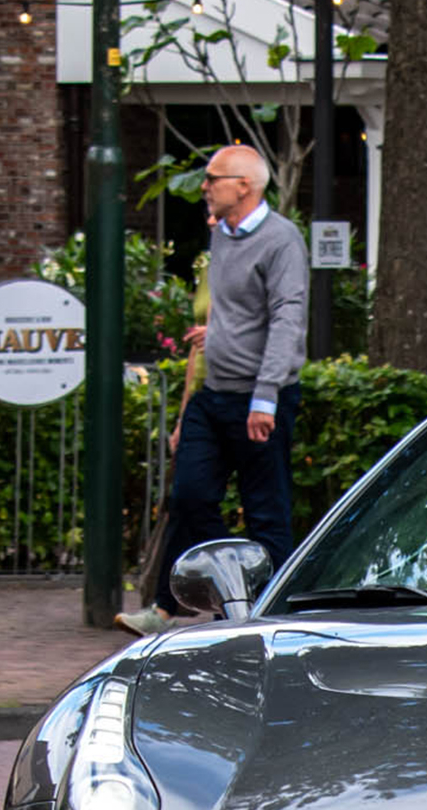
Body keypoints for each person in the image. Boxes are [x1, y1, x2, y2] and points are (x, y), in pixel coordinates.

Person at [116, 144, 309, 635]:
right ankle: (217, 595)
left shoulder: (281, 240)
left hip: (259, 397)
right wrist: (215, 339)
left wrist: (266, 397)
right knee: (190, 497)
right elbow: (236, 314)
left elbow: (287, 319)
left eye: (213, 178)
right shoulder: (221, 236)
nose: (204, 186)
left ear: (244, 186)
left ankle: (273, 615)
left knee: (267, 511)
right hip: (214, 391)